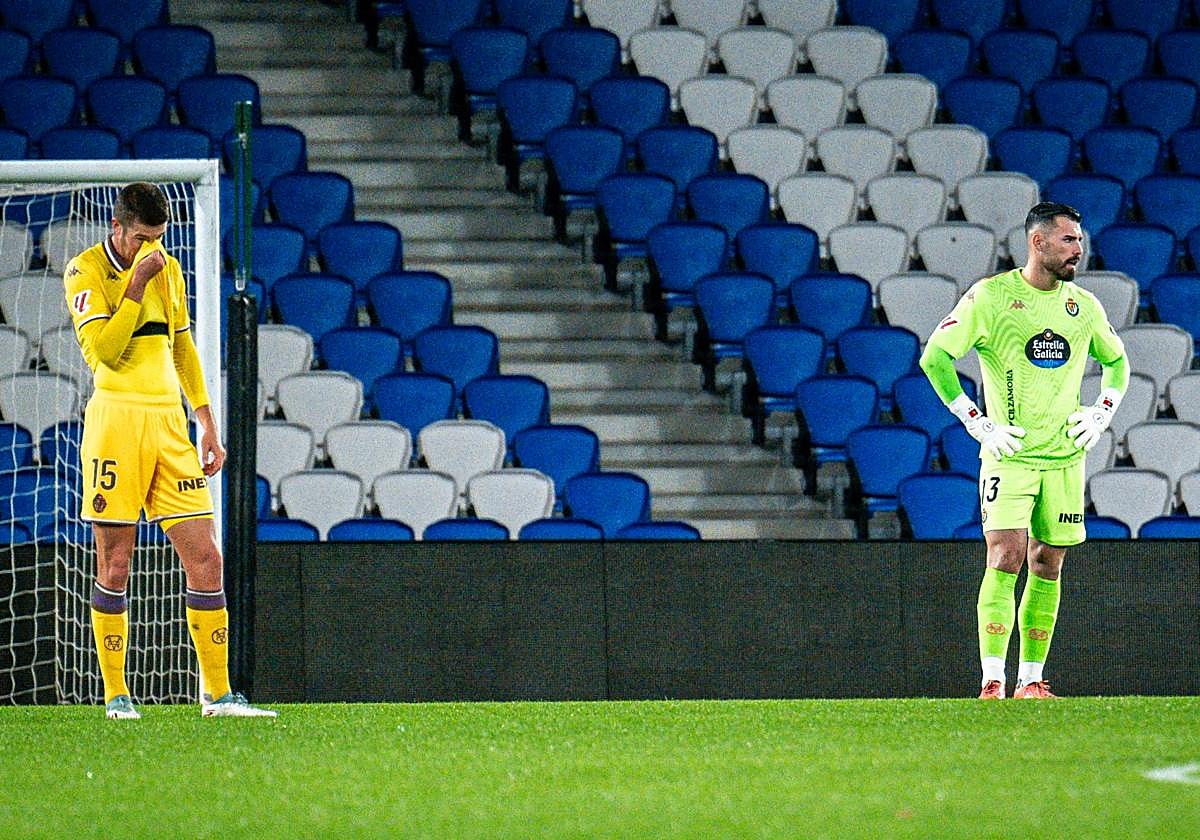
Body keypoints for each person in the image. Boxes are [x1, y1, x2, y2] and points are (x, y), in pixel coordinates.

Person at [64, 182, 275, 719]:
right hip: (116, 423)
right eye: (142, 238)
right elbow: (107, 355)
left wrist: (205, 422)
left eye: (159, 238)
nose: (152, 249)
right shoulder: (84, 271)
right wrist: (134, 285)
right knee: (115, 562)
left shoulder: (168, 268)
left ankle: (219, 695)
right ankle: (116, 695)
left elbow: (181, 346)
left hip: (168, 424)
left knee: (206, 557)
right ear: (118, 228)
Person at [918, 202, 1129, 700]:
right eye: (1069, 240)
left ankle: (1031, 680)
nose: (1079, 249)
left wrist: (1101, 412)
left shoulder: (1084, 306)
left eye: (1079, 240)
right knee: (1006, 553)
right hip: (1009, 454)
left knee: (1047, 561)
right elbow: (936, 357)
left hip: (1064, 457)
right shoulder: (991, 297)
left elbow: (1118, 363)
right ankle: (992, 678)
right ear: (1038, 242)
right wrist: (977, 422)